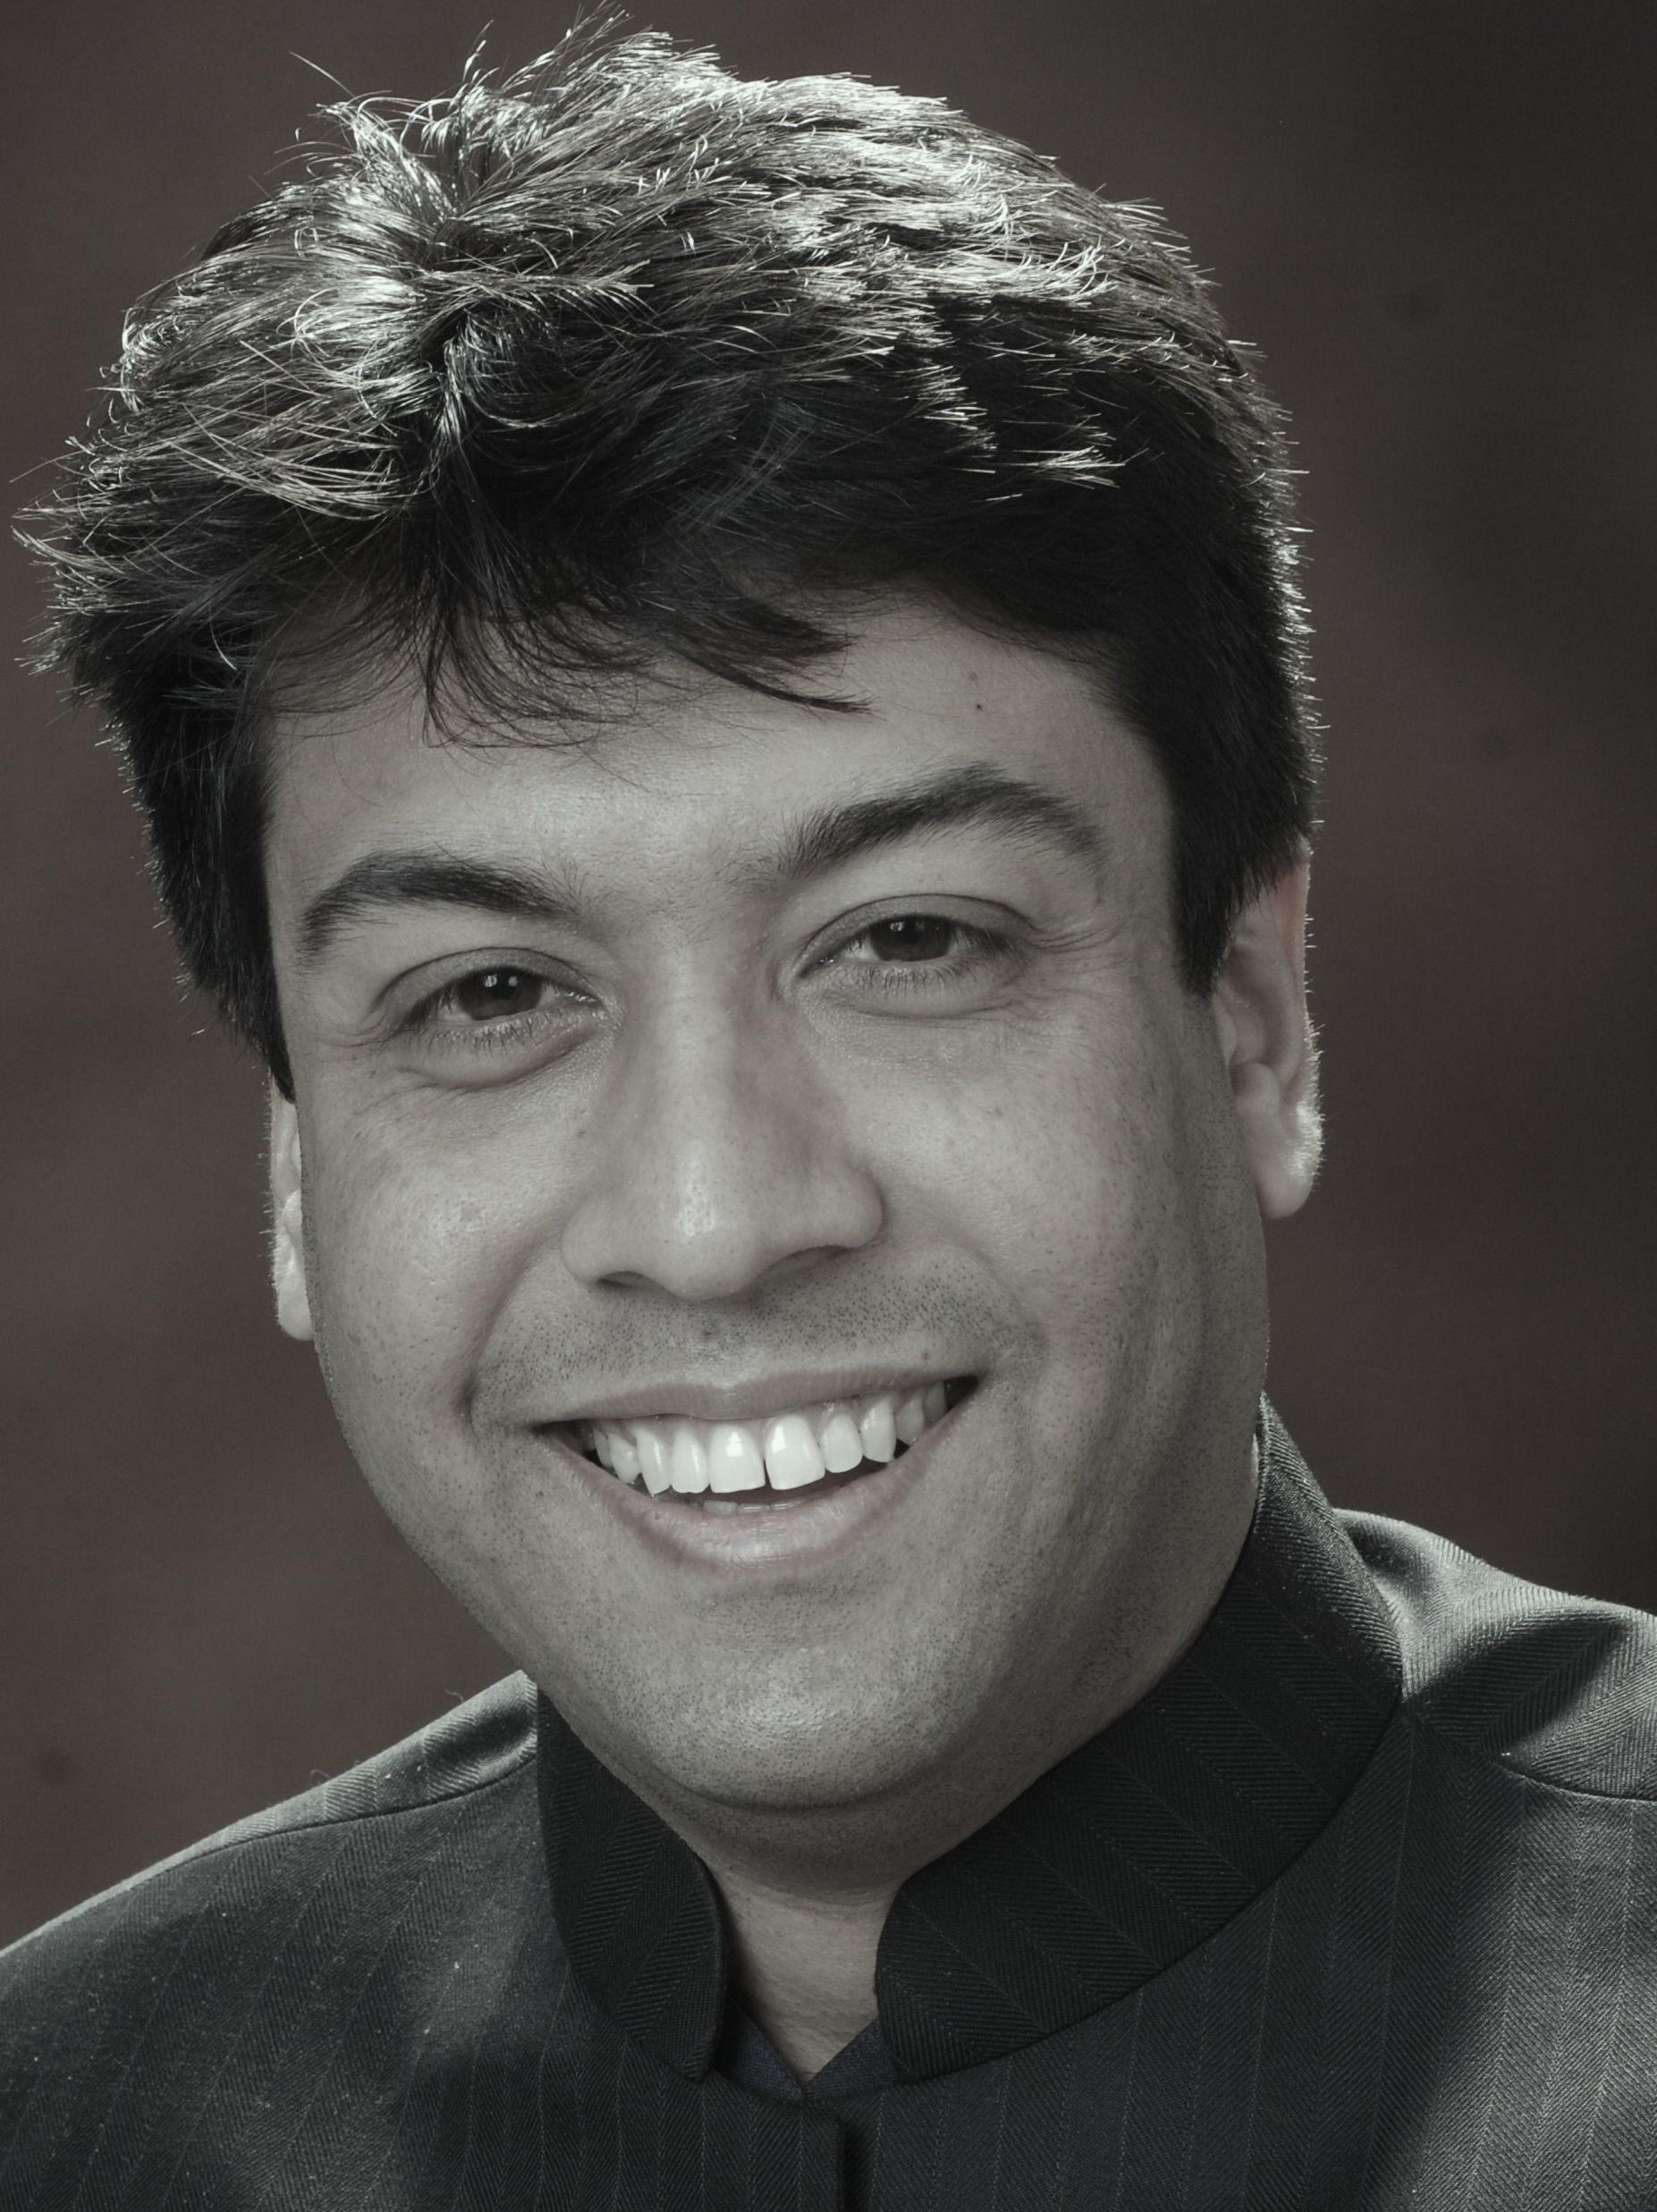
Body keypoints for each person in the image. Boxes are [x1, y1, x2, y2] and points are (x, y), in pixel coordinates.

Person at [3, 21, 1653, 2209]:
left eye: (909, 941)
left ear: (1253, 1019)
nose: (714, 1218)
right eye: (489, 993)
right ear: (301, 1169)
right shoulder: (70, 2125)